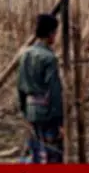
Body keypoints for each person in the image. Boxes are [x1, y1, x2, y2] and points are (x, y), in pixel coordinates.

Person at [17, 14, 64, 164]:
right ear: (51, 33)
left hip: (31, 108)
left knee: (35, 147)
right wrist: (60, 121)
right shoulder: (49, 58)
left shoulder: (25, 54)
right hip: (47, 111)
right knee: (52, 150)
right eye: (55, 33)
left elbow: (20, 86)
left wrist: (24, 109)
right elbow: (55, 92)